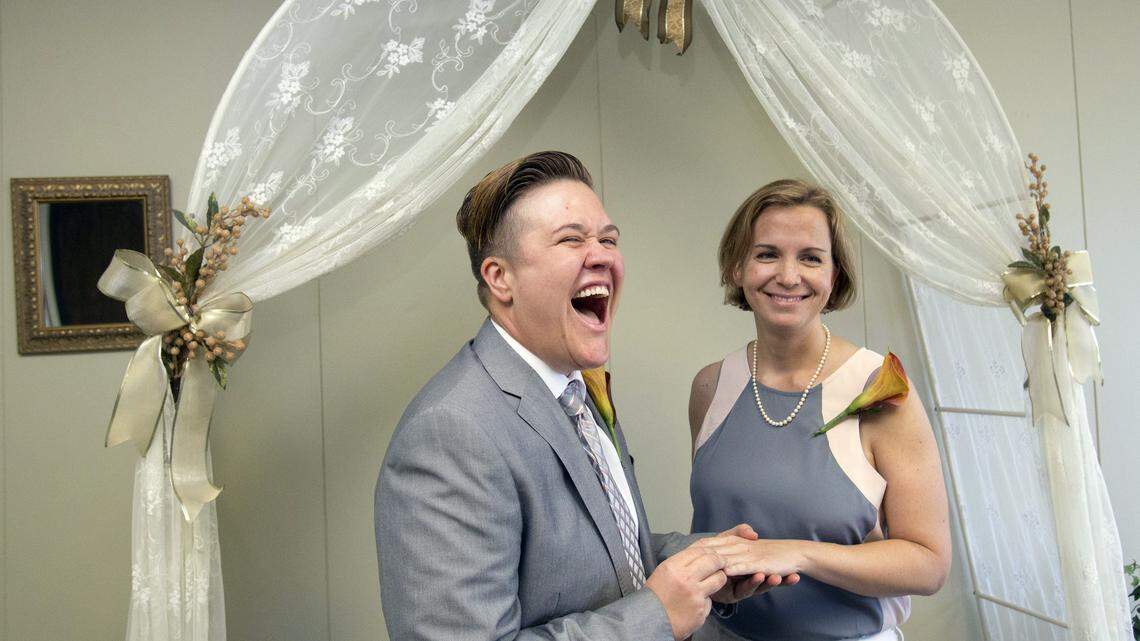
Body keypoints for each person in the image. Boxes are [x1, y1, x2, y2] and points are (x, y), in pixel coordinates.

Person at [375, 151, 784, 641]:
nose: (603, 255)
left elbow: (596, 553)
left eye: (608, 239)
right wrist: (656, 615)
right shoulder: (449, 432)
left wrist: (706, 562)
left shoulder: (575, 387)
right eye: (571, 239)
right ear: (499, 278)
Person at [689, 179, 951, 641]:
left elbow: (928, 565)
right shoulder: (711, 387)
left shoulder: (881, 392)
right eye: (767, 253)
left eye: (811, 257)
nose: (788, 276)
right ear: (737, 267)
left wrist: (798, 553)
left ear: (835, 276)